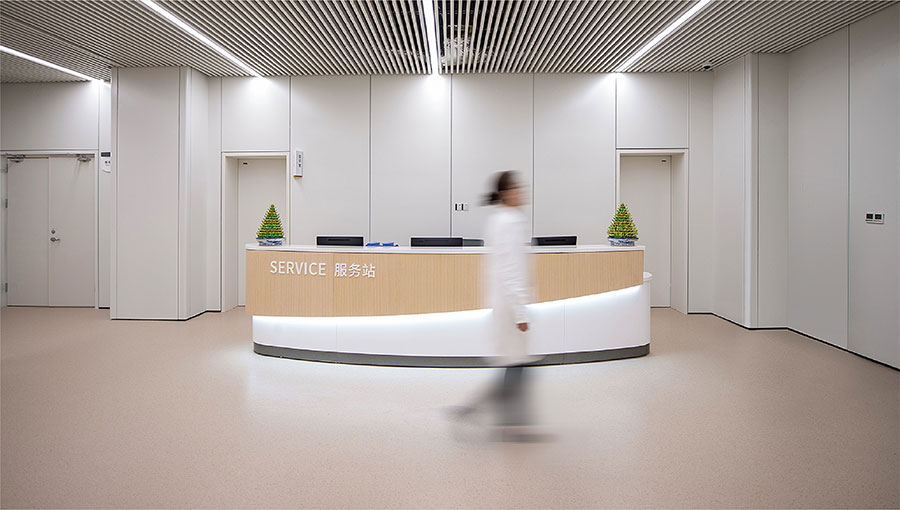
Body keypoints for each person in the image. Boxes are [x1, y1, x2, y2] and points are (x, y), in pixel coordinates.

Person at [451, 170, 540, 437]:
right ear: (506, 193)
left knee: (515, 364)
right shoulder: (509, 222)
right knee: (517, 364)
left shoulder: (502, 219)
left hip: (506, 301)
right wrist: (520, 311)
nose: (522, 191)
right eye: (517, 187)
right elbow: (511, 269)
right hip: (509, 304)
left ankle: (477, 410)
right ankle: (508, 422)